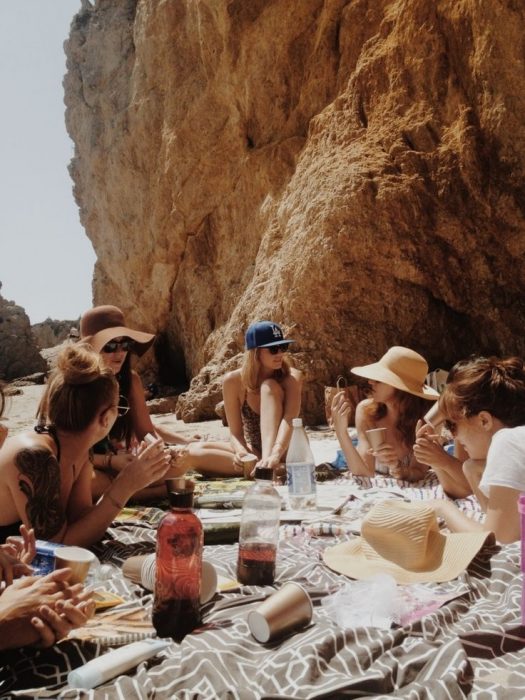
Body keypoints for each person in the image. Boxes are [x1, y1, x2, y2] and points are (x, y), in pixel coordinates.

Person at [0, 343, 170, 547]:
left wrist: (135, 481)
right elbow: (58, 548)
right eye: (120, 407)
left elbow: (81, 521)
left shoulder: (79, 451)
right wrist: (124, 486)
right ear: (106, 418)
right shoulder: (34, 456)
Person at [79, 305, 198, 501]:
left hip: (122, 464)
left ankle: (129, 490)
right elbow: (69, 453)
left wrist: (159, 450)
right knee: (87, 481)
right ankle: (145, 493)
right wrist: (111, 461)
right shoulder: (75, 387)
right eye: (110, 346)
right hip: (88, 467)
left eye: (124, 345)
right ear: (91, 348)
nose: (120, 353)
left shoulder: (130, 380)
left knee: (177, 465)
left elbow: (146, 432)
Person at [183, 321, 303, 477]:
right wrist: (241, 454)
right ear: (255, 352)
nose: (280, 353)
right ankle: (266, 468)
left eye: (283, 347)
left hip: (287, 450)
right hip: (255, 452)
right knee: (192, 451)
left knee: (269, 386)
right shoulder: (233, 381)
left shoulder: (292, 378)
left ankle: (268, 468)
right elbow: (235, 434)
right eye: (273, 349)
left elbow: (290, 420)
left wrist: (274, 454)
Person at [427, 356, 525, 543]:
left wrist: (443, 508)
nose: (453, 435)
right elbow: (497, 521)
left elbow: (495, 542)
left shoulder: (508, 441)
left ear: (484, 421)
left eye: (453, 424)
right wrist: (471, 469)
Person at [331, 346, 439, 481]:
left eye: (379, 380)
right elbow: (364, 472)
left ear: (400, 388)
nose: (370, 382)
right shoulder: (366, 411)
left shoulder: (427, 421)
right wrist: (341, 432)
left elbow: (418, 472)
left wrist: (399, 469)